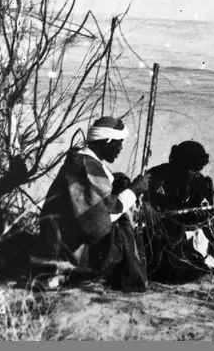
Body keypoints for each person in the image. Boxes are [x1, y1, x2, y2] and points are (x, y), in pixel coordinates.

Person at [37, 116, 150, 290]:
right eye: (118, 143)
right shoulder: (85, 167)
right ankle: (127, 277)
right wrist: (134, 191)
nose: (120, 148)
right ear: (105, 141)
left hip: (60, 240)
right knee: (122, 227)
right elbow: (102, 218)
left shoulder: (83, 161)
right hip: (67, 249)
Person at [143, 140, 214, 288]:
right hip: (164, 227)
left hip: (188, 225)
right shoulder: (157, 175)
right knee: (175, 265)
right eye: (193, 169)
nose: (197, 173)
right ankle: (194, 261)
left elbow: (199, 207)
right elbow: (141, 198)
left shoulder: (200, 181)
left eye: (199, 169)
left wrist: (206, 206)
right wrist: (147, 206)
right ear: (180, 165)